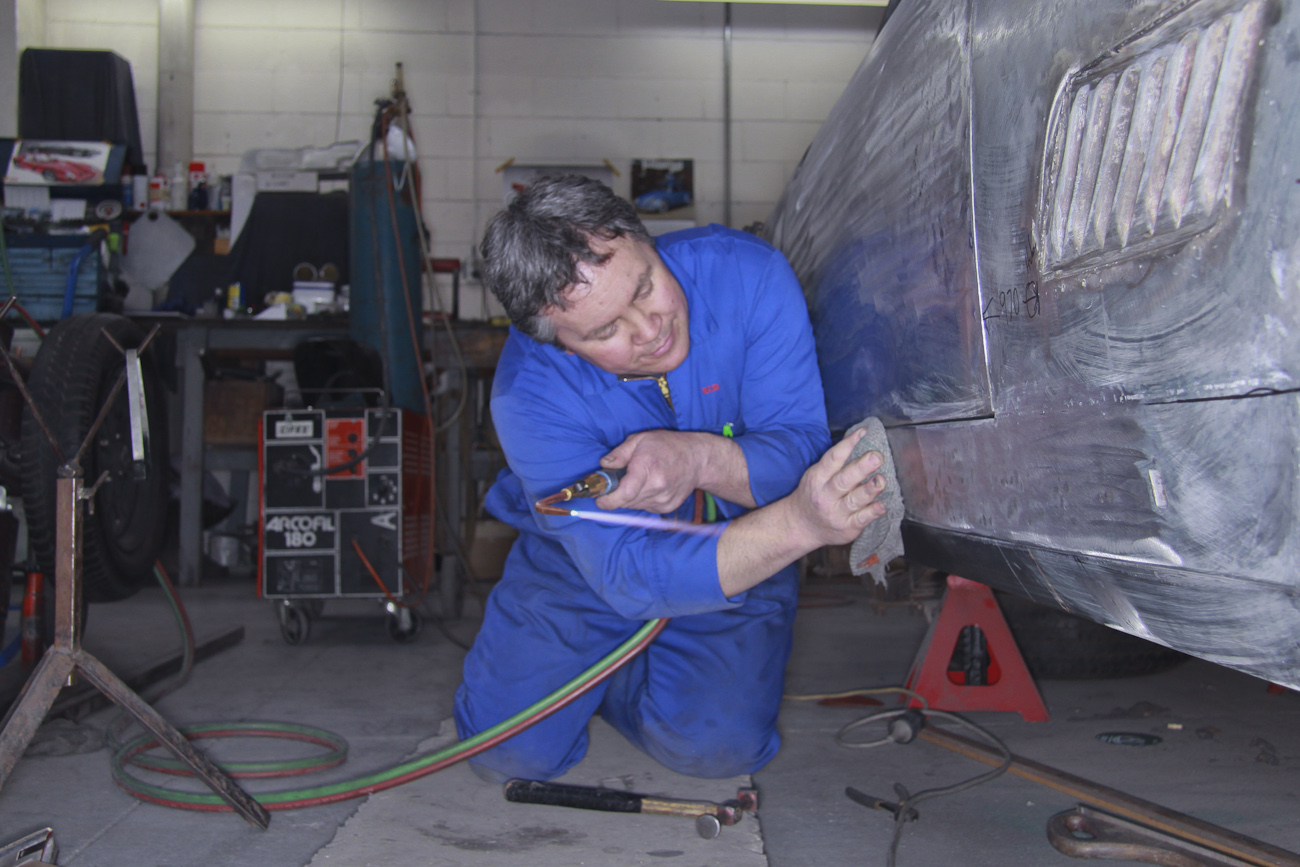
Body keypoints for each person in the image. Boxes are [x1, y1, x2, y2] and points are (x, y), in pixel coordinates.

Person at [453, 175, 887, 783]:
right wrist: (801, 525)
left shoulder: (747, 277)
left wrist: (702, 460)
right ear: (558, 343)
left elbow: (798, 449)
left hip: (740, 542)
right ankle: (587, 666)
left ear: (641, 237)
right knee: (510, 756)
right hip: (588, 563)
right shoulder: (530, 395)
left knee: (717, 751)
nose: (651, 327)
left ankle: (620, 682)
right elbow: (627, 571)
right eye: (606, 332)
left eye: (646, 284)